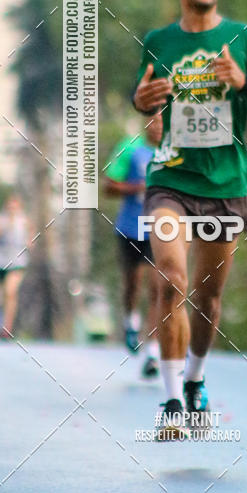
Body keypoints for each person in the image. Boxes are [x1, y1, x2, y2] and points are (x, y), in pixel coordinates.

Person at [133, 0, 247, 438]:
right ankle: (173, 400)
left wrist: (243, 83)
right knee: (171, 280)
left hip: (226, 183)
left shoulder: (245, 39)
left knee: (207, 297)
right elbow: (149, 103)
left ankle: (197, 379)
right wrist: (143, 107)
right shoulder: (158, 40)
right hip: (171, 180)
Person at [104, 113, 163, 378]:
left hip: (160, 231)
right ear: (146, 122)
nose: (158, 126)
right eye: (154, 120)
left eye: (164, 121)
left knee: (158, 288)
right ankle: (131, 322)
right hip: (129, 227)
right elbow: (108, 186)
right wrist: (138, 187)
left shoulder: (174, 152)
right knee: (133, 283)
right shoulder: (129, 147)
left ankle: (152, 353)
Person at [0, 194, 33, 339]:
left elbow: (31, 237)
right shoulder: (0, 220)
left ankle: (7, 328)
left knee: (10, 291)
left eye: (15, 206)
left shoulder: (24, 221)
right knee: (1, 295)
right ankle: (0, 322)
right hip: (0, 261)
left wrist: (29, 243)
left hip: (17, 262)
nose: (12, 209)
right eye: (10, 205)